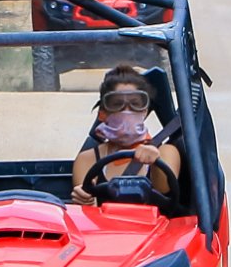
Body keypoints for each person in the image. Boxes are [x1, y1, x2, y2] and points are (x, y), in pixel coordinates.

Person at [70, 65, 181, 207]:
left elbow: (163, 188)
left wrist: (155, 162)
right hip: (106, 227)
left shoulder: (166, 152)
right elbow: (88, 209)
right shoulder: (87, 159)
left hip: (154, 227)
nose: (127, 111)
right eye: (117, 104)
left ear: (144, 111)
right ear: (103, 113)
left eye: (135, 104)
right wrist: (84, 198)